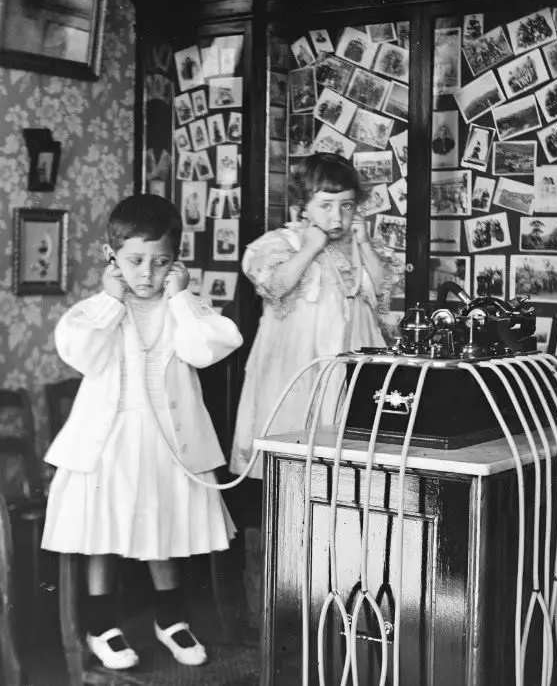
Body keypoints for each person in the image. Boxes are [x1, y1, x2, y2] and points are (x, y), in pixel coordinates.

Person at [41, 194, 243, 670]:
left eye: (161, 262)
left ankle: (170, 619)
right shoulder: (97, 310)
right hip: (109, 444)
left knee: (165, 530)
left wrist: (180, 299)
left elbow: (208, 348)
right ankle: (100, 624)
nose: (147, 274)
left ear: (176, 263)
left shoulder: (186, 307)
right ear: (112, 259)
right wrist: (113, 300)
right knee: (102, 535)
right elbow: (82, 353)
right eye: (134, 261)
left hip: (168, 442)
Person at [229, 152, 390, 480]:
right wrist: (308, 249)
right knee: (296, 444)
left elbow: (382, 289)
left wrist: (365, 244)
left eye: (346, 206)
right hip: (298, 364)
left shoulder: (356, 246)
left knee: (347, 452)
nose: (337, 217)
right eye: (326, 206)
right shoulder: (279, 243)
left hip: (349, 359)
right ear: (303, 205)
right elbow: (274, 286)